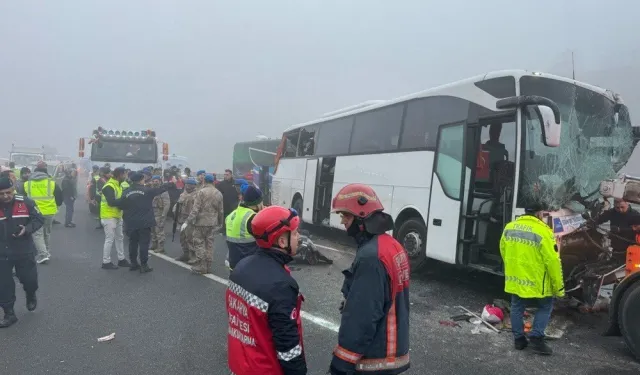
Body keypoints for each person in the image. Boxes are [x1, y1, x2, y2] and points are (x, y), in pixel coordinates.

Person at [329, 183, 411, 375]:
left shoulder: (371, 257)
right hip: (394, 353)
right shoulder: (392, 245)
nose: (343, 222)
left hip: (376, 358)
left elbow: (362, 317)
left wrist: (341, 363)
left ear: (362, 218)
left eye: (346, 216)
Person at [226, 205, 307, 375]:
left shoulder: (242, 267)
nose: (299, 237)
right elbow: (288, 348)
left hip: (240, 366)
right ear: (282, 241)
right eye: (295, 232)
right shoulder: (280, 285)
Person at [500, 201, 564, 355]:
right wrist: (559, 287)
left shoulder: (509, 227)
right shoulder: (544, 231)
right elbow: (553, 261)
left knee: (516, 307)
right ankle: (536, 337)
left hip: (516, 278)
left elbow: (503, 250)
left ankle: (519, 340)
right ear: (540, 213)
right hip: (537, 281)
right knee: (545, 305)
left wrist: (513, 269)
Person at [0, 177, 44, 328]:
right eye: (1, 194)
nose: (5, 196)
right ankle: (9, 313)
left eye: (8, 192)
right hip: (2, 253)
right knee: (3, 284)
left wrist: (27, 229)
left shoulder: (25, 202)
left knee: (29, 280)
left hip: (23, 250)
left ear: (13, 190)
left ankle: (30, 294)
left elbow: (39, 218)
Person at [118, 172, 174, 273]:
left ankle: (134, 264)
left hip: (130, 222)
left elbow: (121, 205)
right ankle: (144, 265)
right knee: (144, 244)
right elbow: (161, 189)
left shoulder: (126, 191)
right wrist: (171, 183)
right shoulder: (147, 190)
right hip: (144, 222)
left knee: (132, 243)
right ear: (141, 180)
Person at [183, 173, 224, 274]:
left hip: (201, 222)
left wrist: (187, 221)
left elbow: (195, 209)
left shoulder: (201, 192)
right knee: (209, 244)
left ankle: (202, 266)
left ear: (204, 181)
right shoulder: (218, 193)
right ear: (213, 181)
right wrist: (220, 223)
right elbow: (221, 210)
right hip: (212, 223)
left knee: (198, 242)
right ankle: (208, 265)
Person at [24, 162, 63, 264]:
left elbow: (22, 198)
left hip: (35, 212)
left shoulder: (27, 184)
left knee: (37, 234)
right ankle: (47, 252)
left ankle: (43, 254)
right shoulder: (51, 183)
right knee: (47, 233)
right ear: (46, 173)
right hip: (49, 212)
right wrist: (57, 206)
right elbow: (59, 197)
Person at [225, 185, 263, 271]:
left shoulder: (232, 215)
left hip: (233, 264)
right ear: (257, 203)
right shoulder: (253, 218)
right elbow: (265, 240)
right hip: (248, 266)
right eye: (262, 202)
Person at [100, 167, 131, 269]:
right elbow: (111, 202)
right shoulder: (109, 186)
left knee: (119, 237)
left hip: (117, 215)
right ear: (120, 174)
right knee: (110, 239)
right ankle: (106, 262)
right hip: (108, 216)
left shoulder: (118, 185)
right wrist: (124, 201)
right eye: (124, 174)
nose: (126, 176)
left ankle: (121, 259)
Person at [174, 177, 197, 263]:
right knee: (182, 238)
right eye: (187, 184)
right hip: (182, 218)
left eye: (190, 184)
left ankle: (194, 256)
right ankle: (186, 254)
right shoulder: (183, 194)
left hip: (191, 220)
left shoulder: (197, 195)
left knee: (191, 238)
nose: (188, 186)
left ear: (194, 185)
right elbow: (177, 206)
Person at [150, 175, 170, 254]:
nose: (155, 182)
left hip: (159, 213)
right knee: (153, 231)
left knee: (159, 231)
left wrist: (163, 216)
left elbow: (167, 205)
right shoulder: (151, 190)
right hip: (152, 212)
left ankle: (161, 247)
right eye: (154, 181)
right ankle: (154, 244)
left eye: (157, 181)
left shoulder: (163, 191)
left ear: (160, 181)